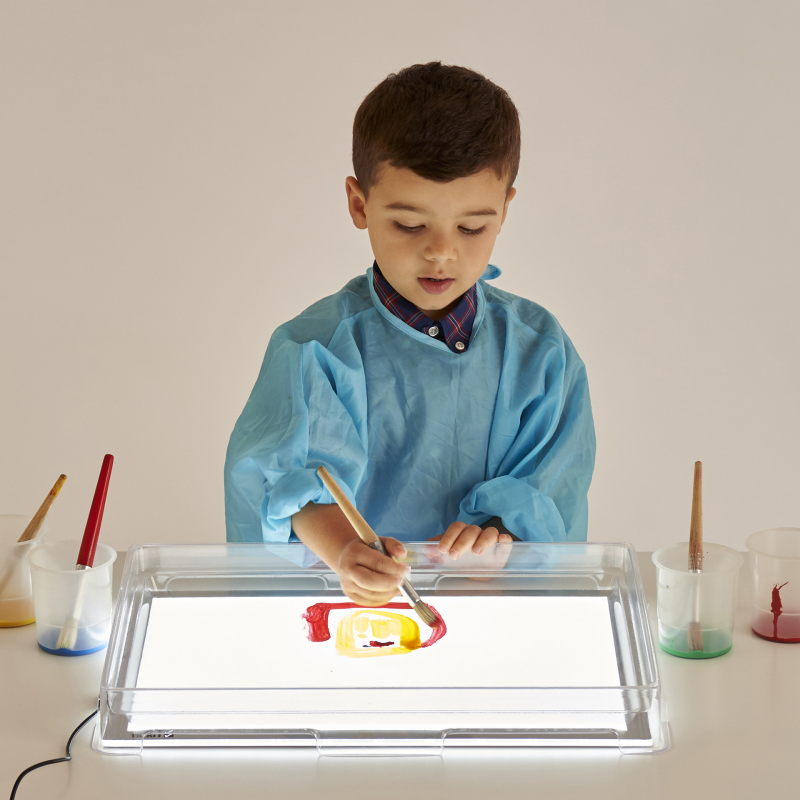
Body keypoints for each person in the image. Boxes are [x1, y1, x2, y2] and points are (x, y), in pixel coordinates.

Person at [224, 61, 596, 606]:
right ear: (359, 205)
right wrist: (346, 554)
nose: (441, 252)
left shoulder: (539, 352)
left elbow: (549, 488)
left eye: (472, 227)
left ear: (504, 210)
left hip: (491, 612)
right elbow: (291, 486)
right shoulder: (316, 349)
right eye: (409, 224)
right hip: (342, 608)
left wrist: (498, 540)